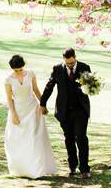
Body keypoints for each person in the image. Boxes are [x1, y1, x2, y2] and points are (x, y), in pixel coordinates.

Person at [39, 48, 92, 179]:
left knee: (81, 138)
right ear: (64, 60)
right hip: (64, 111)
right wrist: (42, 103)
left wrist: (91, 86)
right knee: (68, 138)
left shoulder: (84, 67)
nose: (70, 65)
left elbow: (90, 87)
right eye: (67, 63)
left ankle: (84, 168)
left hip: (80, 110)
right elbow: (49, 86)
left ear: (75, 57)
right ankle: (72, 166)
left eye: (72, 63)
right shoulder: (57, 69)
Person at [3, 54, 57, 178]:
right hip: (18, 110)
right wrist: (13, 115)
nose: (18, 72)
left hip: (32, 109)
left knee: (34, 138)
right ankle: (22, 168)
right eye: (15, 70)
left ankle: (36, 169)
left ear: (24, 66)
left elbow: (36, 90)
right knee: (19, 139)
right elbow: (9, 99)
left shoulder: (31, 74)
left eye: (20, 69)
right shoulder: (8, 80)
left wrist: (42, 104)